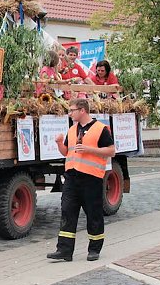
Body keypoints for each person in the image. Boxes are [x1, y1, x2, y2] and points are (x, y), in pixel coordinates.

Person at [47, 98, 116, 262]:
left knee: (93, 214)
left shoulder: (100, 129)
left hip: (91, 178)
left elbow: (112, 151)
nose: (70, 113)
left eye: (72, 110)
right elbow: (67, 152)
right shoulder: (71, 130)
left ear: (82, 110)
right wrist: (58, 143)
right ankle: (64, 250)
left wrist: (89, 149)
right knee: (67, 211)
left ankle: (94, 249)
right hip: (71, 177)